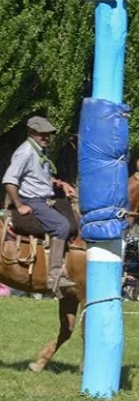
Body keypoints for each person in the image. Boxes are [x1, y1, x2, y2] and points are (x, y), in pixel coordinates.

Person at [2, 116, 78, 295]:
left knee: (74, 218)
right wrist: (19, 205)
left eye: (48, 134)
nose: (46, 137)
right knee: (62, 226)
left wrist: (61, 184)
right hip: (33, 201)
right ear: (31, 133)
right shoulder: (26, 152)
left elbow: (39, 176)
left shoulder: (40, 151)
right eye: (41, 134)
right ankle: (54, 275)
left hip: (45, 199)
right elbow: (9, 180)